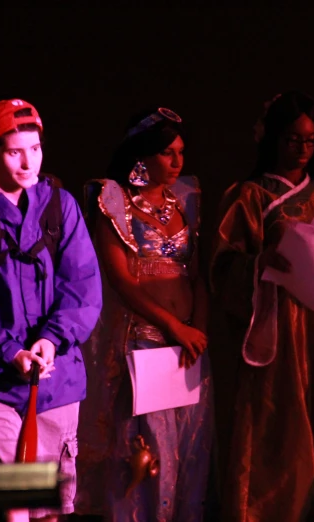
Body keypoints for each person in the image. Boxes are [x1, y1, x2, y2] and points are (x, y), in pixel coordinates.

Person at [0, 98, 102, 521]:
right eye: (14, 151)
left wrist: (50, 341)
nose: (27, 161)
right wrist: (10, 351)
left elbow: (83, 286)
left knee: (48, 510)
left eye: (35, 148)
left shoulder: (60, 206)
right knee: (10, 510)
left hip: (55, 380)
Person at [209, 91, 314, 522]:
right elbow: (222, 267)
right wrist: (259, 264)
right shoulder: (247, 195)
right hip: (275, 327)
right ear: (272, 138)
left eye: (310, 140)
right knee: (277, 425)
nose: (303, 150)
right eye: (293, 139)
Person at [76, 107, 214, 521]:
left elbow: (198, 277)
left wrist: (197, 333)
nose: (177, 162)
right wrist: (172, 326)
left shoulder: (186, 199)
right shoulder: (114, 199)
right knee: (149, 457)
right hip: (145, 345)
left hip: (188, 349)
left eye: (181, 152)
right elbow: (121, 280)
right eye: (167, 153)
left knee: (190, 455)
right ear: (142, 154)